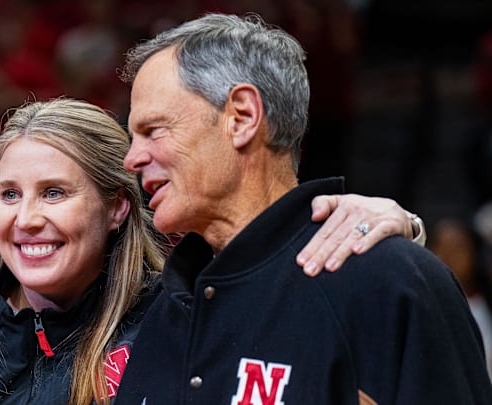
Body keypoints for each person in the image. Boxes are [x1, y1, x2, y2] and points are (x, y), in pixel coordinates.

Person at [0, 96, 422, 404]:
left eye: (55, 193)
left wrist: (397, 228)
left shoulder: (183, 324)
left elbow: (304, 313)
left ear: (117, 208)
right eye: (10, 194)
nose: (27, 218)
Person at [114, 13, 492, 404]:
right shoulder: (158, 309)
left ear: (242, 118)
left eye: (152, 130)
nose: (132, 159)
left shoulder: (388, 282)